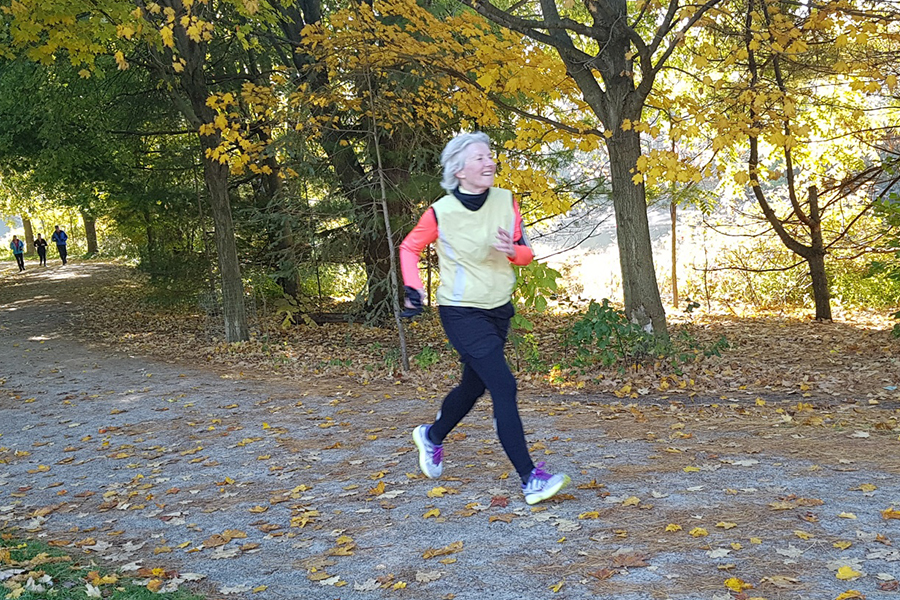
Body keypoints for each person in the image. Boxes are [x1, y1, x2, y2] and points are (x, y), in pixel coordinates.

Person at [399, 131, 570, 505]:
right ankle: (530, 479)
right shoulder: (439, 212)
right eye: (479, 157)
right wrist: (414, 289)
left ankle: (431, 436)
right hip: (460, 311)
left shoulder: (506, 201)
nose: (489, 162)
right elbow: (409, 247)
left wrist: (513, 251)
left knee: (474, 386)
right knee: (503, 386)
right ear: (459, 170)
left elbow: (526, 254)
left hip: (498, 308)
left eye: (490, 156)